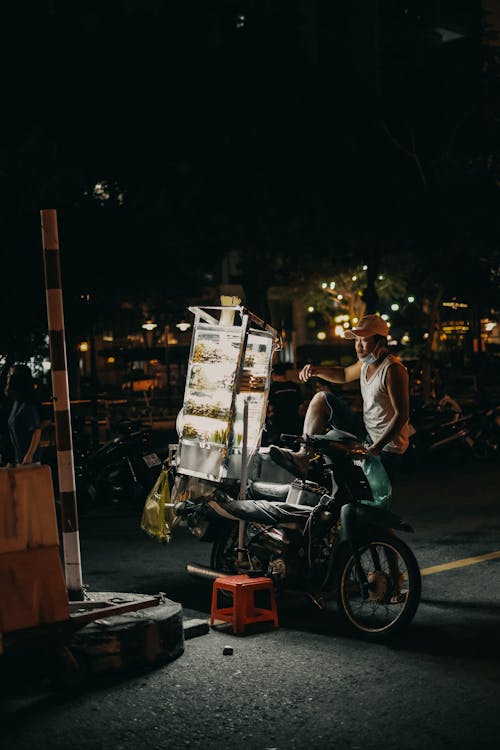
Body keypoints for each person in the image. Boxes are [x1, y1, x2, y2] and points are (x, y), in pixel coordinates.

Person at [270, 314, 411, 481]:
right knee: (321, 398)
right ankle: (303, 456)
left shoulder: (393, 369)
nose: (358, 346)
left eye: (364, 340)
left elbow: (401, 414)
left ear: (380, 341)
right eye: (356, 340)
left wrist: (375, 448)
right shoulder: (365, 364)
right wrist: (316, 370)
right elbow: (344, 374)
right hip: (366, 433)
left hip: (388, 448)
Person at [5, 364, 43, 465]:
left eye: (11, 375)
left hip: (29, 461)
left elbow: (36, 430)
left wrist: (29, 455)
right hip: (19, 459)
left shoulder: (27, 405)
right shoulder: (16, 403)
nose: (8, 378)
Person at [264, 362, 304, 446]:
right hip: (295, 421)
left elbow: (270, 407)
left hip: (279, 423)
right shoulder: (295, 386)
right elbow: (301, 407)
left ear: (273, 375)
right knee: (294, 445)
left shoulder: (273, 387)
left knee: (280, 447)